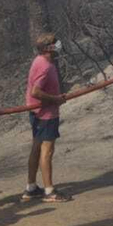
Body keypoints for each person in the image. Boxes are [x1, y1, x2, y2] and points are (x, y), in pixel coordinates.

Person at [21, 34, 70, 203]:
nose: (58, 44)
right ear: (48, 47)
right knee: (46, 151)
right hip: (45, 114)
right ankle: (49, 191)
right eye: (54, 42)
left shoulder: (41, 61)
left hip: (37, 112)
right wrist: (55, 99)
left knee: (36, 148)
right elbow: (36, 91)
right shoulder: (45, 66)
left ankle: (31, 188)